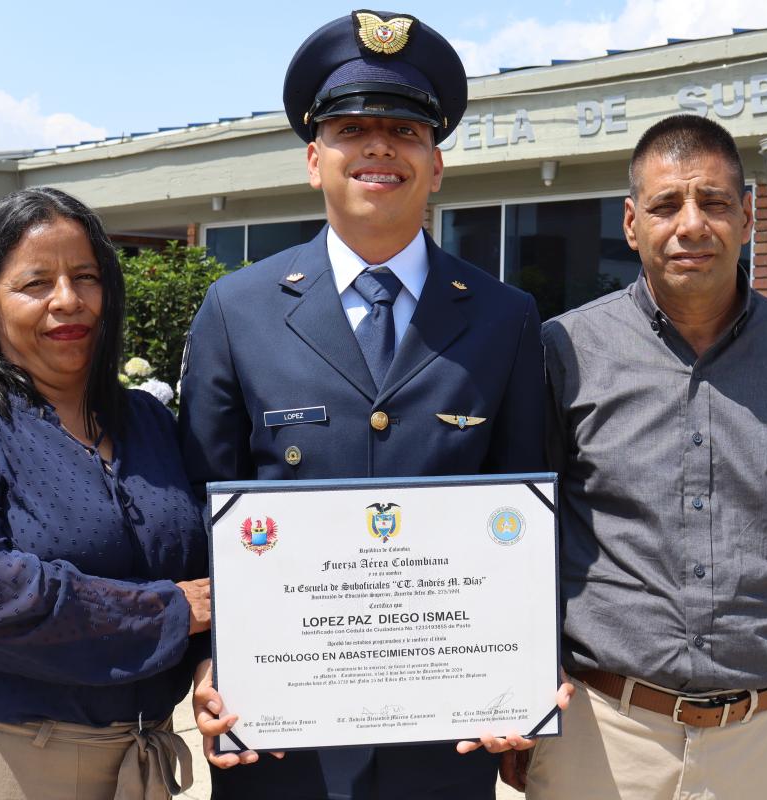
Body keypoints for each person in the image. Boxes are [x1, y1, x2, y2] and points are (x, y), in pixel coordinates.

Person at [178, 10, 570, 800]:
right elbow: (197, 513)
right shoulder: (237, 308)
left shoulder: (503, 317)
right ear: (314, 158)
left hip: (444, 740)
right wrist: (206, 663)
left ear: (437, 162)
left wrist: (525, 669)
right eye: (352, 128)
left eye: (405, 129)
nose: (379, 147)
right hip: (280, 743)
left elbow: (531, 510)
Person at [520, 115, 767, 800]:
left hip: (761, 737)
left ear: (746, 214)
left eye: (712, 202)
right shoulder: (564, 352)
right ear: (630, 222)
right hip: (601, 734)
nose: (691, 225)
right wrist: (525, 692)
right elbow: (527, 538)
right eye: (666, 204)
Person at [0, 187, 210, 799]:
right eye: (35, 284)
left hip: (140, 765)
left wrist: (213, 656)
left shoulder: (150, 422)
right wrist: (173, 613)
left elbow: (212, 566)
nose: (67, 301)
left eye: (86, 277)